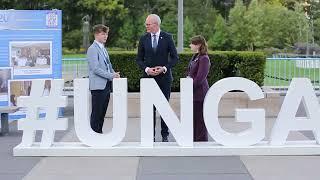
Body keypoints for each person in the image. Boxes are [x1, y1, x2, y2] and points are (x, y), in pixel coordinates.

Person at [136, 14, 179, 142]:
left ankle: (165, 135)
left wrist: (164, 68)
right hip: (148, 79)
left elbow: (175, 58)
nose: (146, 26)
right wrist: (147, 69)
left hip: (164, 79)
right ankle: (151, 136)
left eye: (148, 24)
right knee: (150, 109)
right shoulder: (143, 39)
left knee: (164, 108)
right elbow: (139, 59)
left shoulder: (167, 37)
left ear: (156, 24)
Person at [87, 24, 120, 133]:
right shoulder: (92, 49)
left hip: (106, 86)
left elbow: (108, 65)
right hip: (98, 87)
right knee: (96, 113)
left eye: (106, 34)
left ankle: (99, 134)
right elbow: (95, 68)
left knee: (102, 113)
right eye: (103, 34)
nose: (106, 36)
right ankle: (93, 136)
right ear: (96, 34)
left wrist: (114, 73)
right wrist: (111, 76)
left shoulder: (103, 49)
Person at [186, 35, 211, 142]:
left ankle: (201, 140)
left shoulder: (204, 58)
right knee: (194, 118)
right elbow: (191, 72)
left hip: (200, 93)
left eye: (192, 43)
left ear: (198, 45)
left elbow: (200, 77)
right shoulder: (196, 56)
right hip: (193, 92)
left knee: (200, 119)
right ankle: (194, 139)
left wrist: (189, 87)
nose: (190, 45)